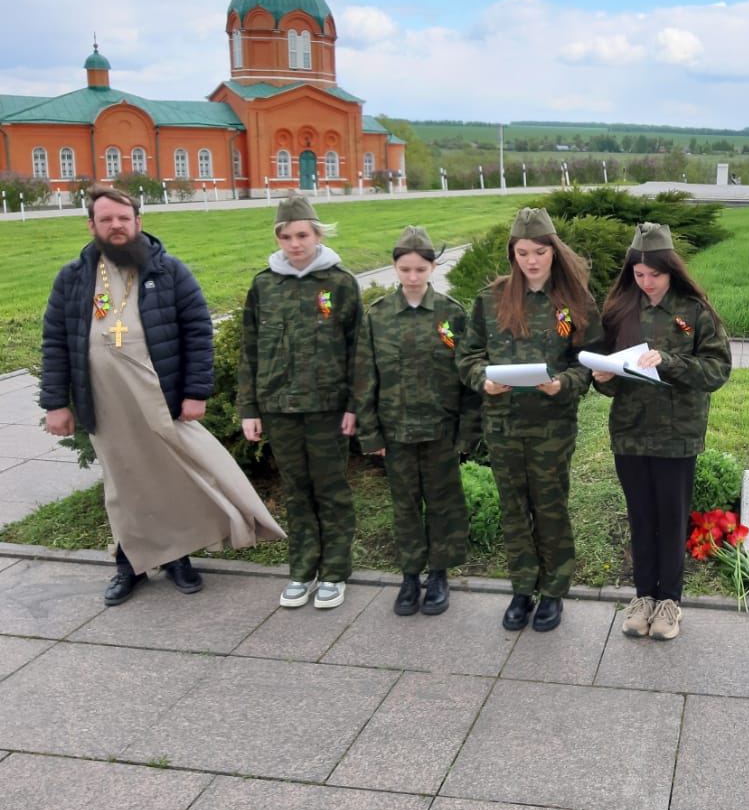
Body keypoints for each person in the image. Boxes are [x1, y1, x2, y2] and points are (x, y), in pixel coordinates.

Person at [40, 185, 284, 606]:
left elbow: (197, 333)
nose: (116, 226)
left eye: (123, 218)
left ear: (138, 221)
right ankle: (129, 563)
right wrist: (56, 403)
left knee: (171, 476)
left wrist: (195, 392)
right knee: (124, 482)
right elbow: (55, 341)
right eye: (106, 220)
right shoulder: (73, 276)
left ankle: (178, 557)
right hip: (103, 399)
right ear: (92, 225)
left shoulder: (169, 271)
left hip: (158, 395)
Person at [456, 207, 603, 632]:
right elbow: (467, 355)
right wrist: (483, 380)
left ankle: (554, 591)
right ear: (513, 254)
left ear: (554, 252)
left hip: (552, 425)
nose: (531, 261)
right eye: (523, 252)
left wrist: (564, 383)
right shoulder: (491, 299)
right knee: (513, 508)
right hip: (502, 424)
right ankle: (522, 589)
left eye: (539, 251)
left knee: (551, 506)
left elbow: (588, 362)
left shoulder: (575, 302)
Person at [592, 223, 731, 640]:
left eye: (655, 275)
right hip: (631, 432)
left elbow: (717, 370)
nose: (646, 283)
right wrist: (603, 378)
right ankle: (642, 598)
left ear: (672, 270)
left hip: (677, 434)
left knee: (671, 519)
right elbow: (614, 379)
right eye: (639, 275)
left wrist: (668, 361)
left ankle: (669, 601)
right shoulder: (621, 310)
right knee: (640, 516)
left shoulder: (693, 311)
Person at [237, 194, 361, 610]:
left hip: (328, 407)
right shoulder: (264, 285)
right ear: (278, 238)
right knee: (296, 490)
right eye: (287, 236)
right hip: (280, 407)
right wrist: (249, 409)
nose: (295, 244)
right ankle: (302, 569)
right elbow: (249, 350)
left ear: (317, 234)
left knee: (331, 489)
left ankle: (336, 571)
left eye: (303, 235)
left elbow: (358, 349)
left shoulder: (339, 283)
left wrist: (355, 405)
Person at [355, 225, 478, 617]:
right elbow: (365, 377)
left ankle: (439, 575)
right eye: (405, 269)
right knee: (405, 505)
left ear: (432, 267)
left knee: (444, 503)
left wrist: (466, 432)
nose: (412, 277)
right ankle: (410, 576)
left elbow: (468, 376)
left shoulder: (451, 313)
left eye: (420, 269)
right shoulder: (377, 316)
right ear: (394, 268)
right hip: (396, 430)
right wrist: (371, 432)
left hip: (440, 429)